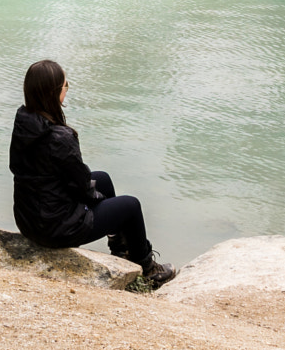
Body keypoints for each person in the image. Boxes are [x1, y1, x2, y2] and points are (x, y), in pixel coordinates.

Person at [10, 59, 176, 287]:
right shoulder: (60, 137)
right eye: (65, 85)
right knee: (131, 206)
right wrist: (96, 200)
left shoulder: (24, 122)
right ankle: (147, 269)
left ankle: (120, 250)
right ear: (55, 92)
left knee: (103, 179)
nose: (66, 89)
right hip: (55, 228)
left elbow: (39, 173)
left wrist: (95, 194)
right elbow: (81, 187)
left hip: (29, 219)